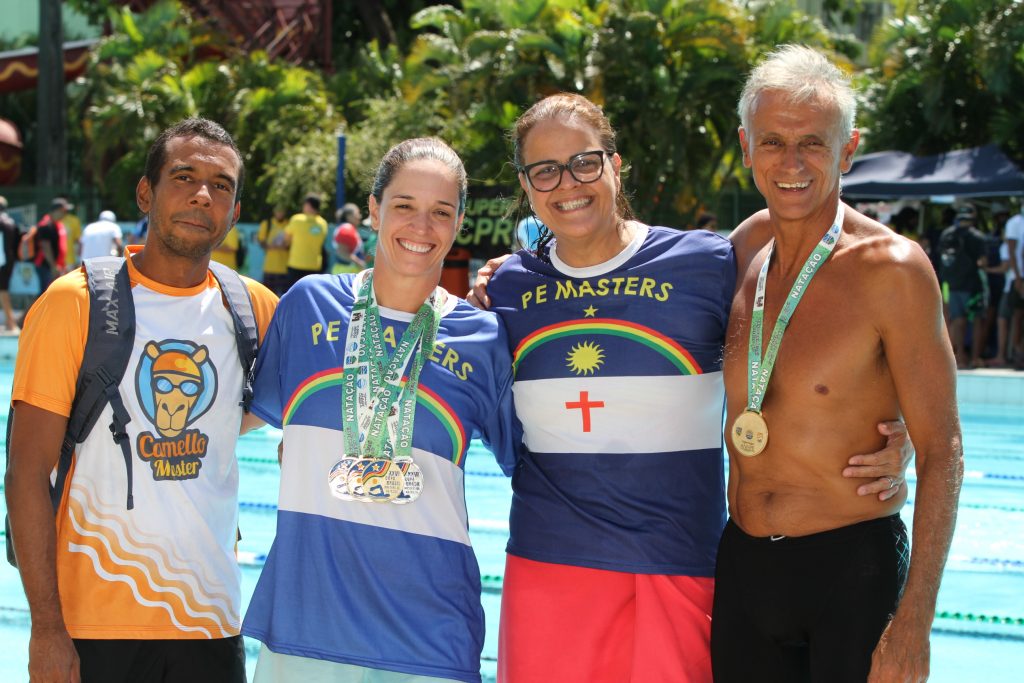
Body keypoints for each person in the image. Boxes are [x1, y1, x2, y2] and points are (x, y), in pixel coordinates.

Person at [469, 92, 910, 683]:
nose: (567, 183)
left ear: (615, 164)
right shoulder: (507, 287)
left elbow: (833, 296)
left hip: (679, 564)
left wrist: (895, 417)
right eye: (544, 170)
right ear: (526, 185)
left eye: (584, 162)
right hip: (549, 562)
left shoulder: (708, 261)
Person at [714, 45, 962, 682]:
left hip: (850, 572)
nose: (791, 163)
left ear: (848, 149)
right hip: (742, 565)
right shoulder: (742, 249)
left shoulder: (894, 270)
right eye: (772, 141)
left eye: (813, 144)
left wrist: (913, 625)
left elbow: (944, 448)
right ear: (746, 146)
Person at [5, 117, 278, 683]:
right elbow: (26, 471)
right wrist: (47, 629)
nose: (203, 194)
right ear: (146, 193)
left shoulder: (252, 308)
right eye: (185, 176)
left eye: (222, 185)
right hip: (90, 628)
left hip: (210, 619)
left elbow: (302, 401)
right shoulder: (74, 303)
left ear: (232, 210)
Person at [241, 137, 516, 683]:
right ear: (373, 209)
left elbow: (540, 468)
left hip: (429, 631)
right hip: (307, 623)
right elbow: (238, 421)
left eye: (441, 211)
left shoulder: (483, 336)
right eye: (405, 206)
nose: (422, 226)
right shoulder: (307, 304)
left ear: (459, 222)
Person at [937, 203, 989, 368]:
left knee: (956, 321)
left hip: (949, 285)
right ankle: (975, 357)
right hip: (972, 285)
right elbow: (982, 262)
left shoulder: (947, 234)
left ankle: (959, 358)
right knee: (976, 320)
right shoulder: (977, 237)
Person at [23, 196, 72, 293]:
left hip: (52, 266)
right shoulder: (46, 225)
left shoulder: (56, 224)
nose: (65, 214)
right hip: (45, 266)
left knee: (50, 292)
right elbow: (45, 247)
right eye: (64, 211)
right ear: (57, 210)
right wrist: (53, 266)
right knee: (46, 293)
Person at [283, 194, 329, 289]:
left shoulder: (296, 219)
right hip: (314, 266)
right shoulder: (323, 223)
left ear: (308, 205)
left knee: (293, 295)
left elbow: (286, 241)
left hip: (296, 264)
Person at [258, 205, 291, 295]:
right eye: (277, 211)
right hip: (269, 268)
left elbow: (291, 244)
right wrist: (269, 246)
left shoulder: (289, 224)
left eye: (281, 211)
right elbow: (261, 241)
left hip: (284, 269)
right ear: (274, 211)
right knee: (267, 295)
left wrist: (284, 246)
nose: (279, 213)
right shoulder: (267, 223)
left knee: (283, 296)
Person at [0, 195, 21, 331]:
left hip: (2, 260)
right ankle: (10, 322)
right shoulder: (11, 222)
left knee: (3, 291)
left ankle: (11, 322)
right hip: (8, 261)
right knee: (4, 290)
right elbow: (16, 244)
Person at [330, 202, 366, 274]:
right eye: (357, 213)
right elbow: (342, 252)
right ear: (349, 216)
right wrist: (359, 263)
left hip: (347, 271)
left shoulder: (347, 228)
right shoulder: (346, 229)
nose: (360, 216)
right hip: (346, 272)